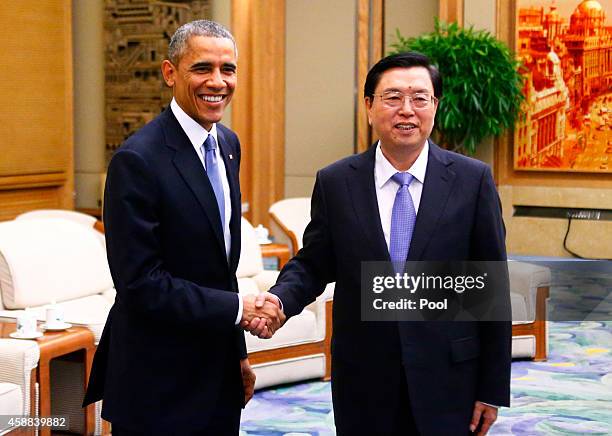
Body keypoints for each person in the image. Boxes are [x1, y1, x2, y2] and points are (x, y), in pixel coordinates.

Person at [245, 52, 511, 435]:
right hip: (365, 378)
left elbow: (490, 287)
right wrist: (280, 300)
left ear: (435, 106)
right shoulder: (337, 182)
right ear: (369, 106)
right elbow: (314, 263)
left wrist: (491, 387)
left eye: (420, 98)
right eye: (392, 98)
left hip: (450, 377)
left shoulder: (472, 181)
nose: (407, 110)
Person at [83, 20, 284, 435]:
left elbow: (220, 267)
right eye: (202, 68)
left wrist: (239, 355)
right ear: (170, 73)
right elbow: (141, 284)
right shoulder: (137, 160)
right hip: (157, 380)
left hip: (218, 373)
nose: (218, 81)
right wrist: (239, 309)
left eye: (228, 69)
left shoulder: (228, 145)